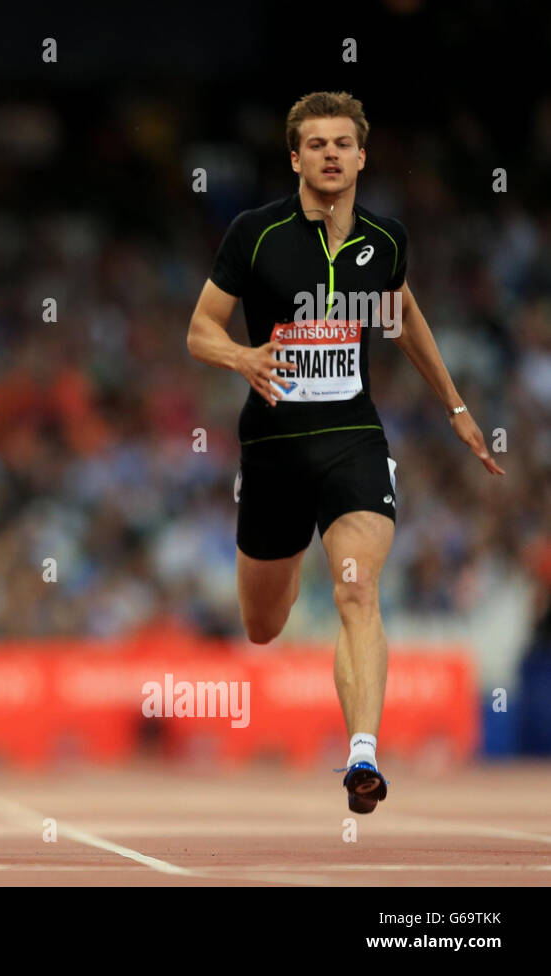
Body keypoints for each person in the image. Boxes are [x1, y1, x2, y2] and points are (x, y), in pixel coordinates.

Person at [187, 92, 504, 813]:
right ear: (295, 158)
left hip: (351, 439)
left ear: (362, 156)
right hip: (272, 445)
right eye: (316, 144)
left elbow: (403, 315)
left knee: (358, 591)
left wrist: (455, 406)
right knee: (263, 625)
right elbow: (199, 330)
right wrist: (241, 356)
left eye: (342, 144)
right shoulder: (256, 234)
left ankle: (362, 752)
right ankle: (288, 554)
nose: (330, 154)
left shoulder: (384, 242)